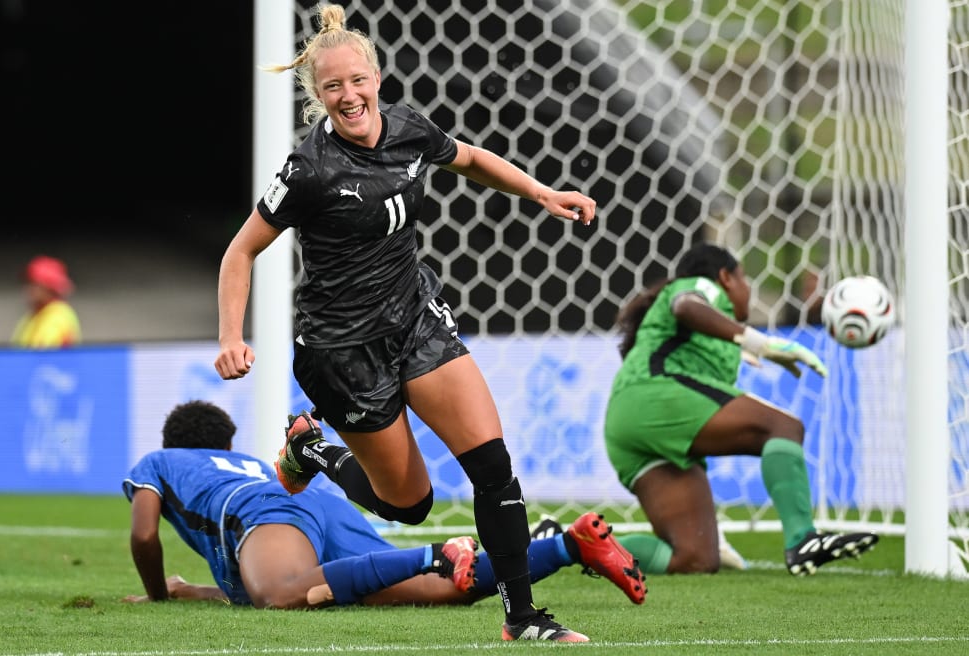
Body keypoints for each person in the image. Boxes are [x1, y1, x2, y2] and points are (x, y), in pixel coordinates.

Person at [214, 3, 607, 643]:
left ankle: (523, 618)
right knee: (408, 505)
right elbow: (240, 251)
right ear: (318, 95)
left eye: (357, 80)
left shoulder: (408, 128)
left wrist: (540, 193)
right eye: (333, 86)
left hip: (417, 320)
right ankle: (310, 449)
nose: (349, 95)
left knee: (493, 467)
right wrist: (231, 336)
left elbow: (472, 158)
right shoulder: (308, 169)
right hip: (343, 351)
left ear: (376, 77)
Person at [122, 400, 646, 615]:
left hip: (271, 513)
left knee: (278, 596)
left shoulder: (160, 459)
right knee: (447, 588)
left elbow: (145, 536)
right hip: (317, 504)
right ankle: (572, 544)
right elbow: (297, 571)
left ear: (172, 441)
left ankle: (434, 552)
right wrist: (193, 590)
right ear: (227, 442)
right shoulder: (247, 462)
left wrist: (157, 595)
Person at [601, 242, 879, 576]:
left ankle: (570, 543)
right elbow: (687, 306)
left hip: (627, 423)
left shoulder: (714, 336)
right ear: (725, 278)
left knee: (695, 558)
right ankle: (803, 540)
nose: (748, 289)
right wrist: (758, 342)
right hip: (653, 398)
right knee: (783, 428)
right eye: (744, 278)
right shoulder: (701, 287)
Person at [11, 255, 81, 348]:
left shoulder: (58, 314)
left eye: (34, 283)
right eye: (27, 282)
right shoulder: (34, 315)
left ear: (49, 288)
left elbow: (44, 354)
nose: (28, 288)